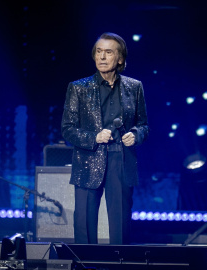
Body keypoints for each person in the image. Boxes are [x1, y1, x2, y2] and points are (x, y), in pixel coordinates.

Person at [61, 32, 149, 245]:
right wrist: (94, 137)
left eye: (108, 52)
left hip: (121, 159)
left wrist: (135, 135)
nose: (102, 57)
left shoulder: (134, 87)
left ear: (119, 59)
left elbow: (144, 125)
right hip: (88, 159)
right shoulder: (79, 88)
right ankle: (84, 265)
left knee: (120, 222)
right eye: (98, 52)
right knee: (84, 222)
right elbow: (67, 129)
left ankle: (119, 264)